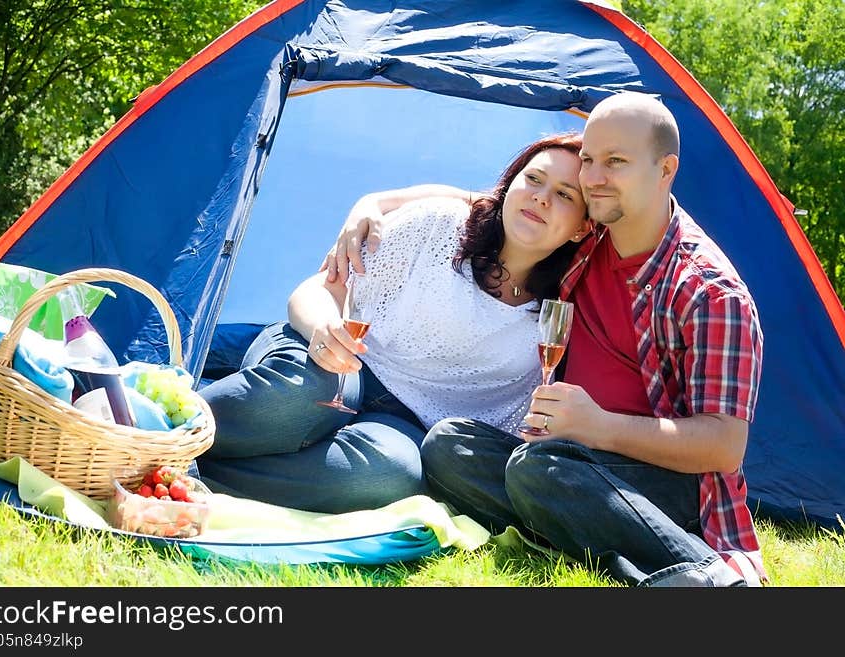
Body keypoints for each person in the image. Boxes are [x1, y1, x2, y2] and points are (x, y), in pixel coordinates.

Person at [324, 91, 767, 586]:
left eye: (615, 162)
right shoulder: (587, 236)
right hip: (569, 455)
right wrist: (373, 203)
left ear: (666, 170)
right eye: (591, 162)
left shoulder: (708, 291)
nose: (594, 178)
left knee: (540, 468)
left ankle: (705, 574)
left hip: (660, 477)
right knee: (448, 444)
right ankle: (575, 530)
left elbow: (724, 447)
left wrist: (598, 427)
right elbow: (493, 201)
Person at [196, 133, 590, 514]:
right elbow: (319, 290)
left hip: (400, 423)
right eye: (533, 179)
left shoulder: (558, 316)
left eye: (565, 195)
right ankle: (157, 427)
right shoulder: (439, 226)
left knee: (391, 475)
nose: (541, 196)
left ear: (582, 228)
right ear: (508, 187)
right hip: (340, 361)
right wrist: (322, 329)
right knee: (297, 399)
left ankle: (189, 470)